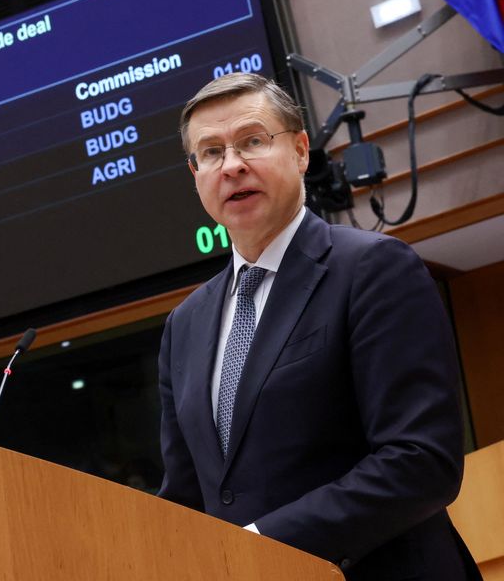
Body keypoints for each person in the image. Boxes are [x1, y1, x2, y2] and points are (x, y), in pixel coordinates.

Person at [157, 73, 480, 580]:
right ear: (195, 173)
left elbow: (420, 460)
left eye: (252, 141)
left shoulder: (373, 268)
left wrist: (260, 547)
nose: (232, 165)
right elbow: (185, 496)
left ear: (301, 151)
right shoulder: (185, 324)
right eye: (212, 152)